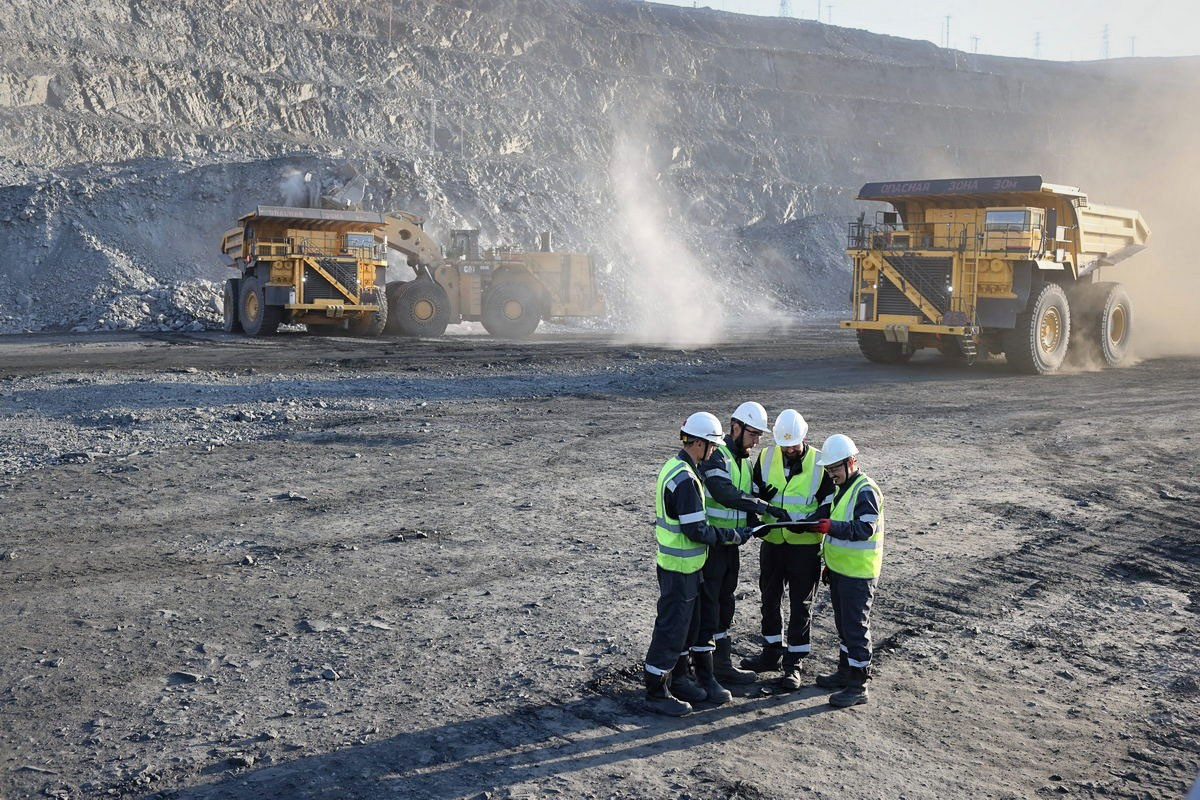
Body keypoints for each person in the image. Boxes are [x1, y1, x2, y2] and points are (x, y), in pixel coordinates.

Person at [644, 412, 755, 716]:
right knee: (672, 629)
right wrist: (732, 536)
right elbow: (697, 531)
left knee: (686, 627)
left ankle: (678, 680)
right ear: (700, 444)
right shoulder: (686, 480)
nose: (717, 452)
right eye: (714, 446)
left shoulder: (677, 467)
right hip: (680, 568)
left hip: (681, 566)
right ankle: (655, 689)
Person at [741, 409, 835, 692]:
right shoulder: (767, 457)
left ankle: (794, 663)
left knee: (800, 606)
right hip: (773, 542)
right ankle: (771, 654)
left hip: (804, 548)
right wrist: (758, 513)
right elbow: (752, 492)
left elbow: (829, 502)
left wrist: (808, 525)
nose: (789, 449)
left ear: (804, 437)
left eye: (793, 444)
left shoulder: (820, 463)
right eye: (784, 445)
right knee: (769, 599)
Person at [698, 402, 788, 686]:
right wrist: (763, 505)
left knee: (725, 601)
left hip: (731, 545)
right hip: (711, 545)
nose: (756, 441)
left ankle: (721, 663)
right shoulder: (717, 456)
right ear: (735, 427)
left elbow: (742, 496)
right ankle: (704, 665)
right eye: (752, 433)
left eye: (760, 435)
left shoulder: (744, 460)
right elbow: (724, 493)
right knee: (709, 603)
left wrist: (755, 516)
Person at [810, 433, 884, 708]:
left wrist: (832, 527)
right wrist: (830, 564)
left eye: (835, 469)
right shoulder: (842, 489)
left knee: (855, 628)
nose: (831, 475)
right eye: (828, 470)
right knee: (844, 626)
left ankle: (858, 684)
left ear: (851, 462)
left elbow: (865, 529)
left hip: (859, 574)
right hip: (842, 570)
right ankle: (845, 672)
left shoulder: (865, 489)